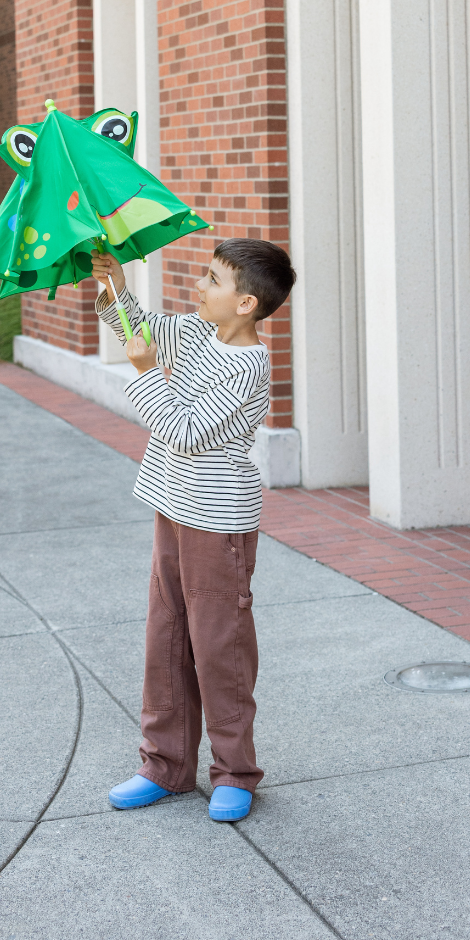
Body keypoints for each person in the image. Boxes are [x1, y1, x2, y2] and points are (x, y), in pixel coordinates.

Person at [89, 239, 296, 822]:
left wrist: (143, 372)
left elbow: (185, 431)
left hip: (217, 524)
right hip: (171, 508)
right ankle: (164, 765)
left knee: (219, 648)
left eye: (212, 280)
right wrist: (115, 286)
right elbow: (142, 326)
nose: (198, 287)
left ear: (246, 303)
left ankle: (235, 771)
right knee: (166, 638)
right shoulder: (198, 332)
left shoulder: (248, 366)